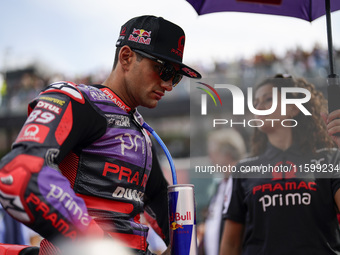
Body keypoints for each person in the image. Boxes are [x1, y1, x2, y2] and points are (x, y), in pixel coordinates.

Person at [0, 15, 201, 255]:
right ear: (126, 57)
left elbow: (161, 202)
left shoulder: (144, 134)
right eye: (164, 70)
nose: (169, 85)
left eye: (175, 76)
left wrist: (183, 247)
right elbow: (19, 173)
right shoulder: (76, 100)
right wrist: (98, 245)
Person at [219, 74, 340, 255]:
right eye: (256, 102)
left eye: (268, 99)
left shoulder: (329, 159)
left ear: (293, 108)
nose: (259, 106)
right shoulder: (243, 170)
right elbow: (230, 244)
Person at [198, 129, 246, 255]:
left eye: (213, 153)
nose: (210, 159)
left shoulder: (244, 184)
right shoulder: (221, 185)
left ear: (227, 154)